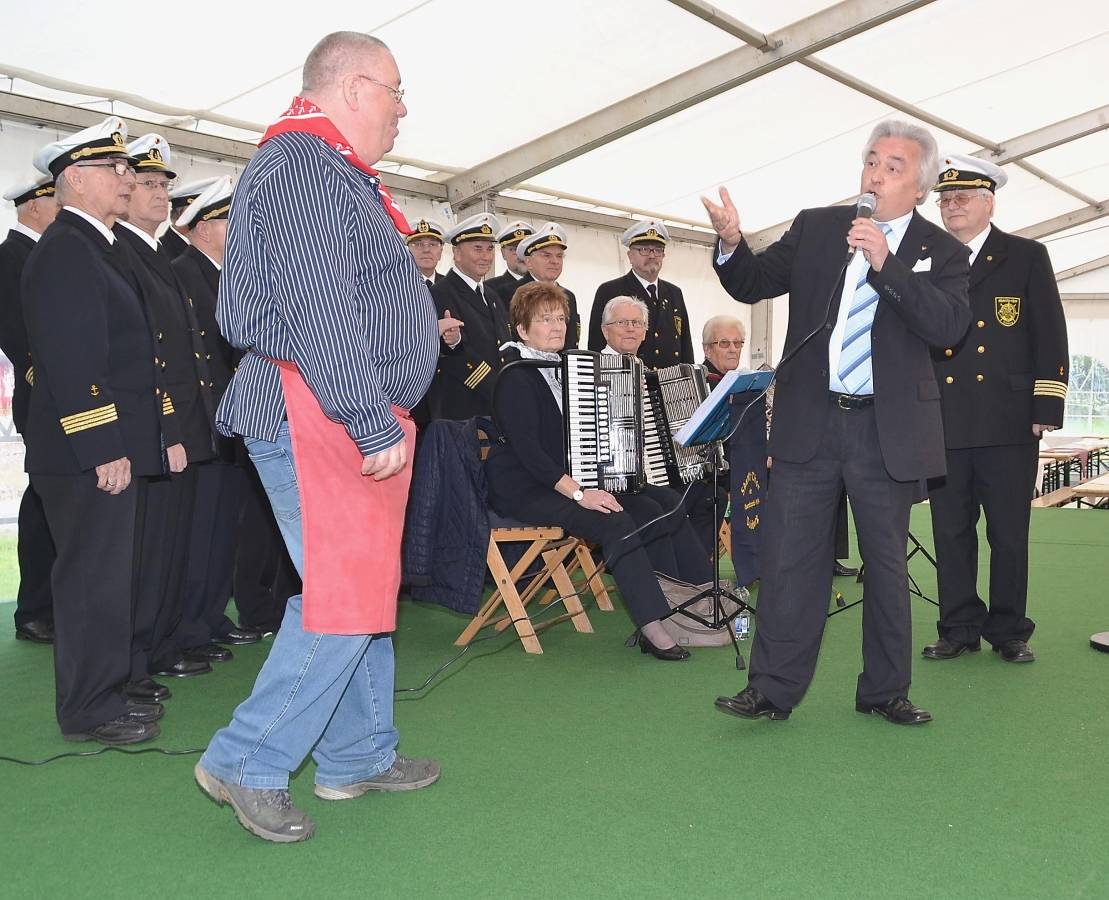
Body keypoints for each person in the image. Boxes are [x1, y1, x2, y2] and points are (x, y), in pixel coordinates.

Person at [194, 31, 440, 844]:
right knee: (343, 596)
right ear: (356, 87)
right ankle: (247, 759)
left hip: (330, 406)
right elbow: (317, 306)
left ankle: (355, 753)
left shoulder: (323, 166)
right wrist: (367, 416)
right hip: (321, 410)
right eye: (396, 91)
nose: (403, 109)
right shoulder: (303, 164)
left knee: (360, 593)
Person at [704, 120, 971, 726]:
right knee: (789, 560)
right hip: (811, 422)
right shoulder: (819, 226)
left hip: (885, 431)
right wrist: (731, 241)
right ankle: (771, 689)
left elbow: (947, 327)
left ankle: (885, 691)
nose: (876, 175)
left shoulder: (943, 251)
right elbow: (753, 282)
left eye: (893, 167)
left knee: (885, 566)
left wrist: (886, 263)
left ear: (921, 187)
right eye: (871, 161)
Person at [23, 116, 166, 745]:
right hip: (85, 451)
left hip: (105, 445)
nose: (127, 178)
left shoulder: (96, 246)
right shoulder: (67, 248)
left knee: (109, 579)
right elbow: (73, 358)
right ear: (76, 179)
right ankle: (88, 708)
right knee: (89, 581)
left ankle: (106, 693)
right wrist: (103, 445)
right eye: (115, 168)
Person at [486, 281, 714, 660]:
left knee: (662, 503)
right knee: (615, 520)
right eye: (545, 320)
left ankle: (695, 597)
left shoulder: (566, 368)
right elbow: (531, 455)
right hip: (527, 487)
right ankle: (653, 624)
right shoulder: (514, 375)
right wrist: (581, 493)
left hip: (570, 479)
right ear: (522, 330)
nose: (557, 327)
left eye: (561, 319)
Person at [923, 154, 1068, 664]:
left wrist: (1046, 404)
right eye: (944, 199)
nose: (951, 206)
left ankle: (1008, 630)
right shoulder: (926, 258)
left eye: (961, 197)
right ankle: (958, 627)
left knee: (1008, 533)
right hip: (944, 419)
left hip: (1009, 420)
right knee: (951, 532)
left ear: (989, 202)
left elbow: (1049, 332)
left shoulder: (1025, 256)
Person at [113, 134, 214, 692]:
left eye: (162, 185)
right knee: (146, 551)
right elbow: (147, 356)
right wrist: (169, 425)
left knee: (172, 545)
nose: (158, 194)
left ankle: (163, 641)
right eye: (147, 183)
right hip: (153, 425)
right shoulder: (122, 252)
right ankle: (140, 653)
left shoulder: (155, 253)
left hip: (181, 422)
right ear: (123, 190)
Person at [171, 175, 264, 652]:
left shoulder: (227, 276)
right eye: (230, 220)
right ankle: (190, 625)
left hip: (230, 422)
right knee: (200, 531)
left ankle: (211, 616)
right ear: (202, 228)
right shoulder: (184, 272)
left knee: (224, 528)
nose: (239, 228)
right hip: (202, 422)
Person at [1, 172, 59, 644]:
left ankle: (50, 603)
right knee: (42, 500)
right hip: (41, 395)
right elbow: (19, 336)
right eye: (53, 200)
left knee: (56, 501)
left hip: (58, 395)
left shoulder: (44, 253)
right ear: (34, 205)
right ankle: (35, 610)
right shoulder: (11, 257)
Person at [430, 212, 513, 419]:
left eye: (489, 249)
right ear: (457, 253)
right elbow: (454, 356)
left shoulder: (491, 295)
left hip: (496, 404)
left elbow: (504, 345)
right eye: (477, 248)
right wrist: (498, 390)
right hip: (464, 408)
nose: (485, 256)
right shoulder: (441, 292)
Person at [589, 219, 694, 367]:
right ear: (630, 255)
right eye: (644, 249)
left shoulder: (674, 293)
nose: (652, 256)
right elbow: (596, 344)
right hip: (628, 377)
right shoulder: (610, 290)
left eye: (658, 250)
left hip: (670, 379)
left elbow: (685, 345)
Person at [513, 222, 581, 347]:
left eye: (559, 256)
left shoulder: (568, 296)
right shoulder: (510, 293)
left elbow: (571, 343)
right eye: (546, 255)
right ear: (528, 262)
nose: (555, 261)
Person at [164, 176, 219, 260]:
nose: (207, 218)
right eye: (201, 213)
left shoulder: (205, 246)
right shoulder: (165, 252)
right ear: (182, 215)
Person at [484, 219, 533, 300]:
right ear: (503, 253)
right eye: (514, 249)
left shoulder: (544, 285)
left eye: (525, 249)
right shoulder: (489, 289)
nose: (521, 255)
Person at [406, 217, 445, 288]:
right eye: (418, 244)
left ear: (440, 252)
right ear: (407, 251)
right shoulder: (395, 285)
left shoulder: (452, 287)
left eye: (432, 244)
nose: (426, 250)